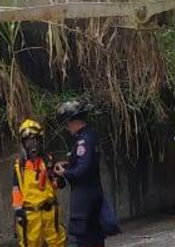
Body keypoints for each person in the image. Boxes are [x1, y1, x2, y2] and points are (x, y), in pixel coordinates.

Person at [51, 99, 117, 247]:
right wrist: (69, 165)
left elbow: (82, 171)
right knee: (94, 240)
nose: (67, 128)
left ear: (73, 121)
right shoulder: (87, 137)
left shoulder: (84, 141)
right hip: (91, 198)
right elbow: (85, 164)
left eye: (67, 124)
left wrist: (64, 173)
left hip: (86, 202)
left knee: (85, 240)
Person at [12, 118, 66, 247]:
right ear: (23, 143)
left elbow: (56, 184)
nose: (33, 144)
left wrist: (59, 179)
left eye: (36, 140)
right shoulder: (19, 166)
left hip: (49, 210)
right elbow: (16, 189)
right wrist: (18, 211)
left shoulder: (48, 161)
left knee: (57, 241)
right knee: (30, 243)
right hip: (30, 214)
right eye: (29, 141)